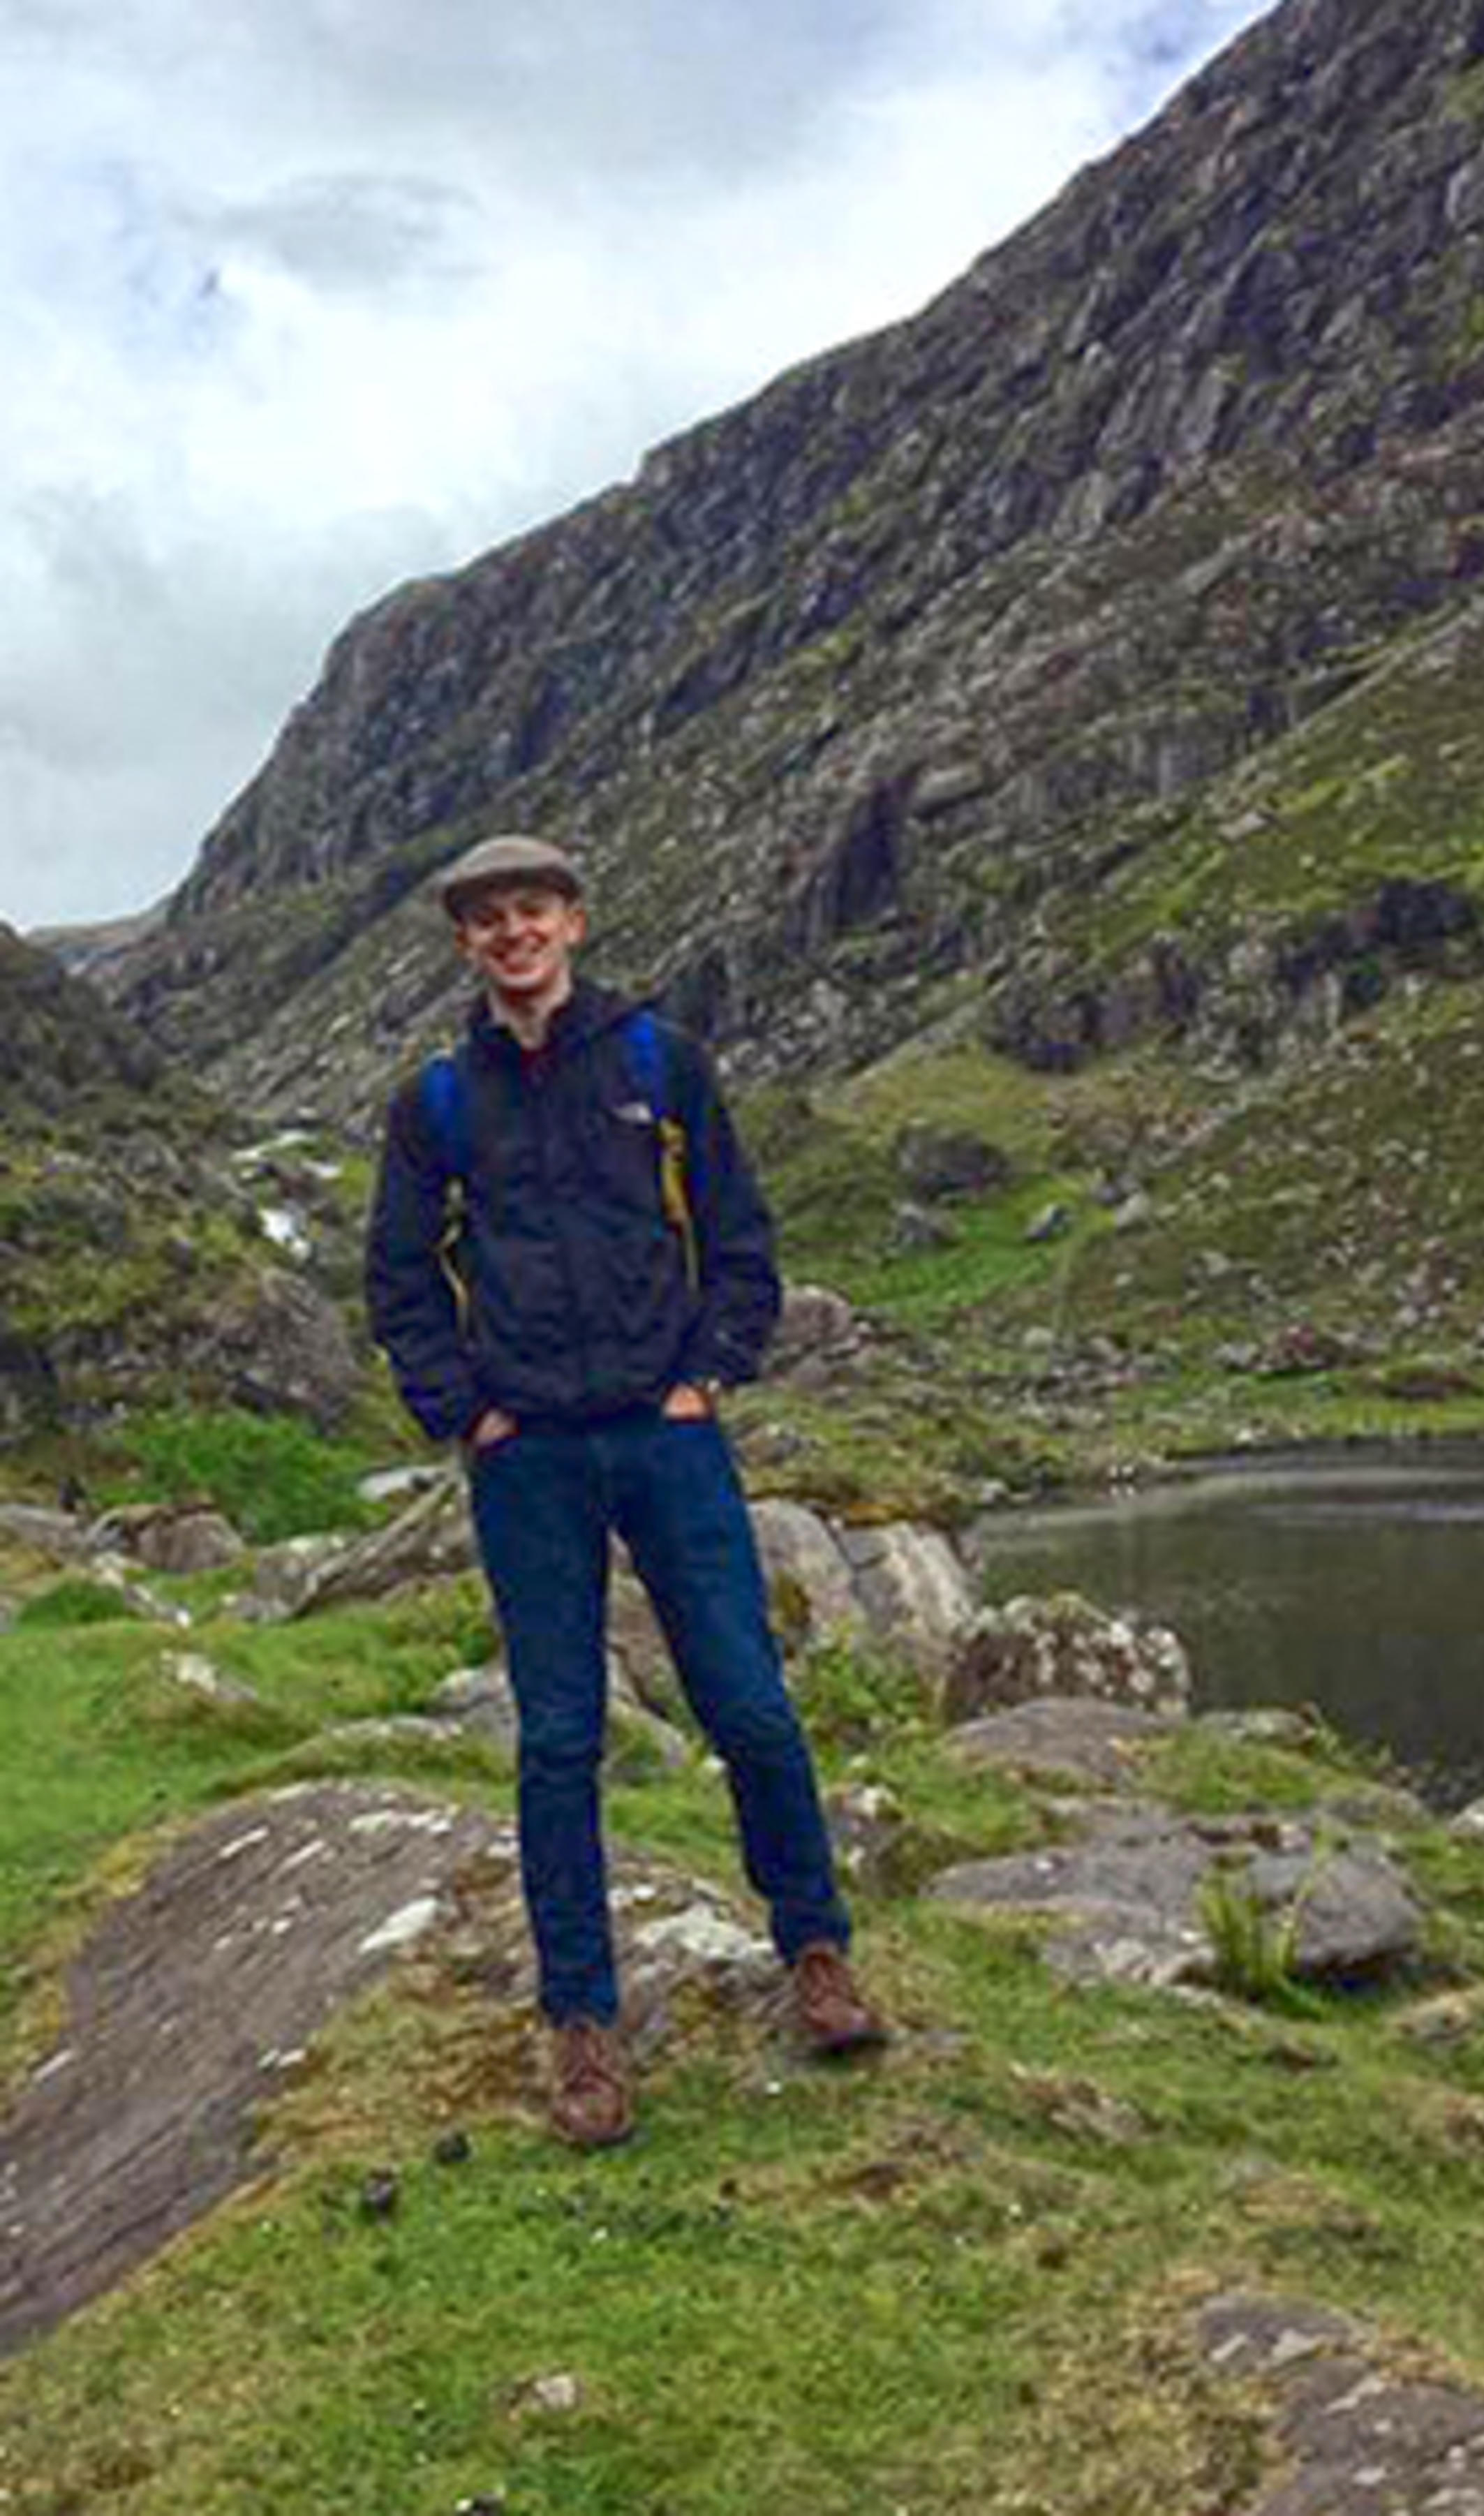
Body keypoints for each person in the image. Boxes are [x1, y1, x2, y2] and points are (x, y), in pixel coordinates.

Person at [365, 834, 885, 2147]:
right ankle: (583, 2029)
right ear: (467, 944)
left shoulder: (659, 1062)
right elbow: (399, 1279)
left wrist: (706, 1375)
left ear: (576, 923)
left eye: (531, 910)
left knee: (750, 1708)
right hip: (527, 1455)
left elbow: (741, 1239)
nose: (512, 934)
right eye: (487, 920)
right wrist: (464, 1413)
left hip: (667, 1438)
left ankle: (816, 1954)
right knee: (557, 1743)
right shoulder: (434, 1103)